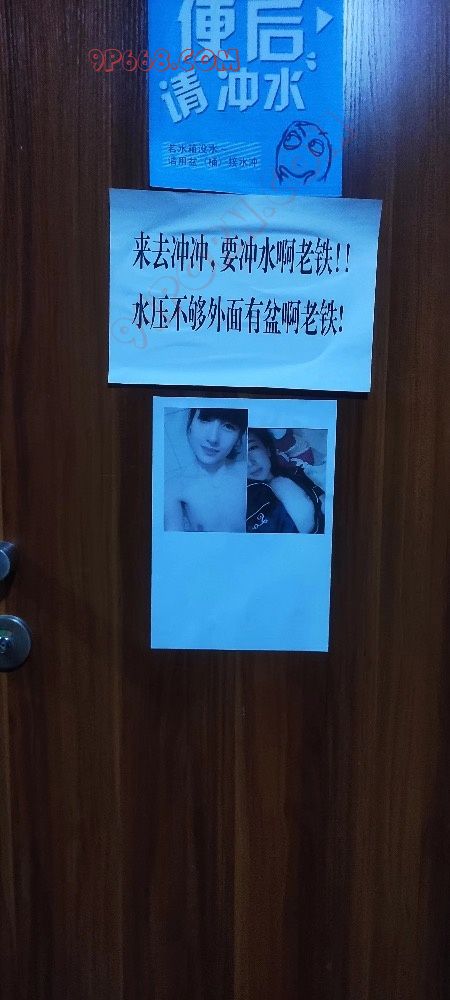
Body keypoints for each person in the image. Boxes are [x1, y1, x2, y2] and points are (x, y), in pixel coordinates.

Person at [165, 408, 247, 532]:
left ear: (238, 438)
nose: (213, 438)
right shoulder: (174, 488)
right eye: (205, 419)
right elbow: (173, 540)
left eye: (229, 426)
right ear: (190, 424)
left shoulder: (247, 472)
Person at [246, 428, 325, 534]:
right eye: (239, 457)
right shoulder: (242, 504)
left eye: (252, 448)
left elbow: (322, 500)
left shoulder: (296, 473)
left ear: (267, 450)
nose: (249, 463)